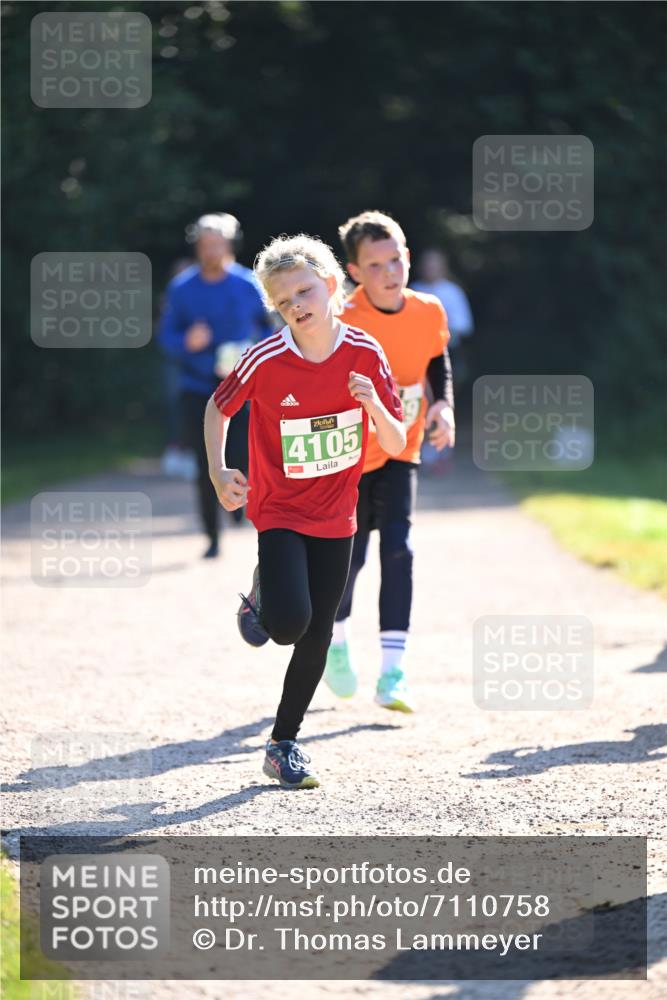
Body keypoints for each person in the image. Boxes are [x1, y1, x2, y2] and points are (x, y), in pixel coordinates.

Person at [204, 234, 405, 789]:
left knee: (319, 631)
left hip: (338, 511)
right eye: (284, 299)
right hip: (280, 508)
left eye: (305, 290)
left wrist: (370, 404)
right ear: (275, 307)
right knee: (290, 623)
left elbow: (393, 436)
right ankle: (265, 589)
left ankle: (283, 743)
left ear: (332, 286)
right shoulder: (266, 359)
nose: (297, 304)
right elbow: (218, 409)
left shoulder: (365, 352)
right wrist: (221, 472)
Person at [323, 210, 455, 713]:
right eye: (374, 264)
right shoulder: (342, 319)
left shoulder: (429, 310)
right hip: (350, 460)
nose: (389, 271)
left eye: (395, 258)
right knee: (349, 559)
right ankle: (335, 645)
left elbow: (435, 360)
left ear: (407, 255)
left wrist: (443, 404)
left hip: (403, 447)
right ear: (355, 272)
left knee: (399, 549)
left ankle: (393, 672)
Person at [159, 214, 272, 557]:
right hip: (197, 386)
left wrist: (254, 347)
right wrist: (186, 342)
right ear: (197, 246)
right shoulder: (182, 287)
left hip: (242, 383)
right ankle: (212, 536)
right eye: (205, 244)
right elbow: (165, 336)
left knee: (241, 453)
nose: (211, 250)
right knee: (206, 459)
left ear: (229, 244)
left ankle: (236, 505)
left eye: (218, 243)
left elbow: (272, 329)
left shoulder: (249, 283)